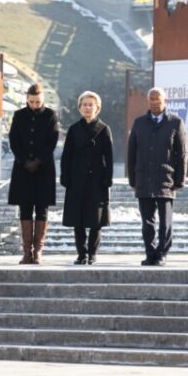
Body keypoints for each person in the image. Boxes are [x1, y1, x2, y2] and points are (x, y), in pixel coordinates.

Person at [128, 88, 187, 267]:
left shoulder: (175, 123)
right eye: (151, 99)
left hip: (166, 179)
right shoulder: (139, 123)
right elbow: (132, 154)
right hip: (143, 179)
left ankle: (162, 253)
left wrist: (179, 180)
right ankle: (150, 252)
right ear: (148, 101)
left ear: (165, 101)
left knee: (165, 222)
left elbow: (181, 154)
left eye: (158, 99)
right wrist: (133, 179)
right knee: (147, 222)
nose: (155, 102)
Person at [7, 84, 59, 265]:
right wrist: (24, 160)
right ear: (26, 99)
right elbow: (13, 140)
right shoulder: (19, 115)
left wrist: (38, 160)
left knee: (42, 209)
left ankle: (37, 252)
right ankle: (26, 252)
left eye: (37, 101)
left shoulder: (50, 115)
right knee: (25, 208)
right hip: (23, 168)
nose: (34, 105)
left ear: (43, 99)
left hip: (44, 168)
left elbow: (52, 141)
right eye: (31, 101)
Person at [62, 91, 114, 265]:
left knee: (95, 220)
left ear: (97, 108)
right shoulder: (74, 129)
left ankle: (92, 253)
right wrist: (65, 175)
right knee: (78, 219)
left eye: (91, 104)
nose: (87, 107)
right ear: (79, 107)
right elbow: (66, 155)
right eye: (84, 104)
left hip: (97, 181)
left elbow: (109, 156)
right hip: (77, 179)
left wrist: (108, 178)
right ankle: (81, 253)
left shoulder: (104, 129)